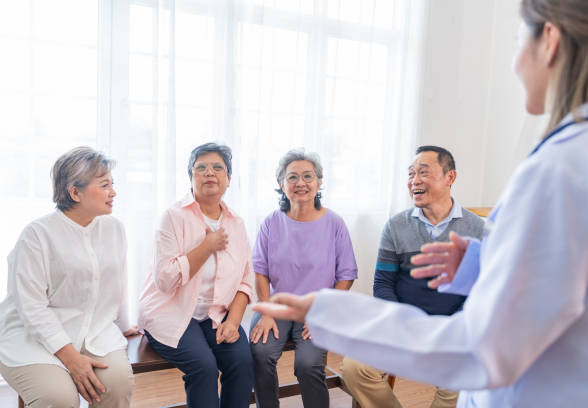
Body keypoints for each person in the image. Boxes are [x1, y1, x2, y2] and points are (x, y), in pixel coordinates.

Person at [253, 0, 588, 406]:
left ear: (549, 40)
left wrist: (329, 311)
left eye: (518, 40)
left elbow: (481, 348)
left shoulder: (559, 171)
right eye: (410, 172)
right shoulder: (566, 161)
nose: (515, 64)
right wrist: (479, 265)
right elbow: (557, 276)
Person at [342, 146, 484, 408]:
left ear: (450, 177)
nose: (414, 181)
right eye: (410, 174)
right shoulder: (396, 225)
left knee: (461, 382)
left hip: (450, 331)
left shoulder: (478, 229)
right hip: (402, 327)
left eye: (423, 173)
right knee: (354, 368)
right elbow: (383, 283)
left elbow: (481, 293)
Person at [0, 146, 135, 408]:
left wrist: (126, 324)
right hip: (33, 338)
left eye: (112, 184)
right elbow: (32, 308)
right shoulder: (37, 235)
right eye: (105, 185)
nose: (113, 192)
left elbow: (117, 282)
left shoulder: (114, 228)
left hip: (95, 332)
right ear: (75, 192)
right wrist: (71, 358)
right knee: (57, 398)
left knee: (117, 384)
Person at [138, 142, 254, 408]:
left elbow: (246, 281)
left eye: (217, 168)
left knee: (242, 361)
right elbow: (165, 280)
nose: (209, 173)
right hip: (171, 311)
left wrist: (234, 321)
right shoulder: (172, 216)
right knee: (203, 367)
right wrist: (206, 246)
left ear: (229, 178)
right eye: (200, 168)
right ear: (191, 177)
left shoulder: (237, 223)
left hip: (215, 313)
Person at [249, 148, 358, 408]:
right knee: (259, 353)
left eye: (308, 176)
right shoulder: (271, 223)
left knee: (308, 364)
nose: (300, 183)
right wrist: (265, 312)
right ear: (281, 184)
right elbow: (260, 270)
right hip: (278, 304)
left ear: (319, 182)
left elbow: (346, 275)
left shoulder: (334, 223)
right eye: (292, 177)